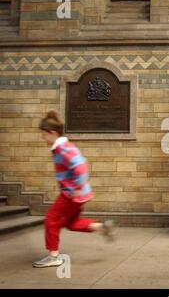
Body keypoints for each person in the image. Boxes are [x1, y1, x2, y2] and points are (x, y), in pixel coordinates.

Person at [33, 111, 116, 268]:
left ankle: (53, 256)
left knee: (51, 220)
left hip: (72, 195)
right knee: (72, 222)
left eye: (43, 135)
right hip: (80, 194)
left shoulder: (63, 148)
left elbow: (81, 166)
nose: (42, 138)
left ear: (52, 133)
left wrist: (77, 187)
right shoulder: (62, 147)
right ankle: (101, 227)